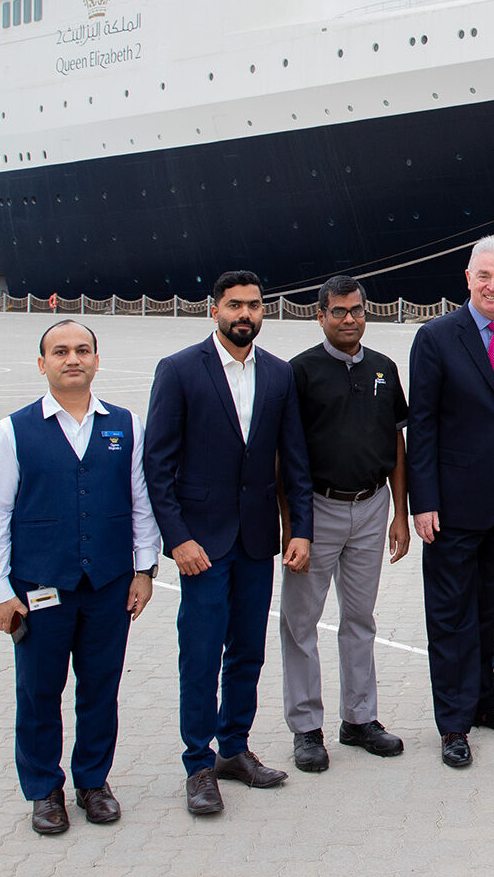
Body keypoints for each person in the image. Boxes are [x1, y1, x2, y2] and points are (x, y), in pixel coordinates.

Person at [0, 320, 160, 836]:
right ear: (42, 364)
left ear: (97, 360)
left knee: (100, 688)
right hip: (39, 587)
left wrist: (144, 569)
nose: (72, 359)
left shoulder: (125, 424)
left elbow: (141, 504)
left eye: (82, 350)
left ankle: (93, 783)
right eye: (60, 352)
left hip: (109, 584)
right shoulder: (11, 431)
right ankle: (43, 790)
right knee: (39, 692)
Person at [144, 270, 313, 816]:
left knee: (247, 651)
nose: (245, 314)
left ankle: (234, 749)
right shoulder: (178, 370)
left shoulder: (279, 374)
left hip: (256, 540)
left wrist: (301, 529)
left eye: (254, 305)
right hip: (201, 546)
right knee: (200, 653)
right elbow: (157, 465)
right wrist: (177, 539)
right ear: (213, 309)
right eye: (235, 305)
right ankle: (198, 764)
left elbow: (295, 459)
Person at [408, 234, 494, 769]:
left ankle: (485, 703)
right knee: (450, 618)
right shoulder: (436, 337)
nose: (492, 286)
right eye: (484, 276)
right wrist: (423, 501)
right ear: (467, 278)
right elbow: (422, 426)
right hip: (452, 506)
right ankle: (453, 723)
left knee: (488, 613)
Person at [280, 275, 412, 774]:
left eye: (356, 310)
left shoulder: (384, 368)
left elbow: (396, 442)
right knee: (301, 623)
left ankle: (359, 719)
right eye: (338, 311)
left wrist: (400, 514)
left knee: (360, 618)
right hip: (317, 509)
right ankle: (306, 728)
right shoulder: (300, 372)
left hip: (372, 506)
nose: (349, 319)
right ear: (320, 316)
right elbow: (285, 455)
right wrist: (293, 526)